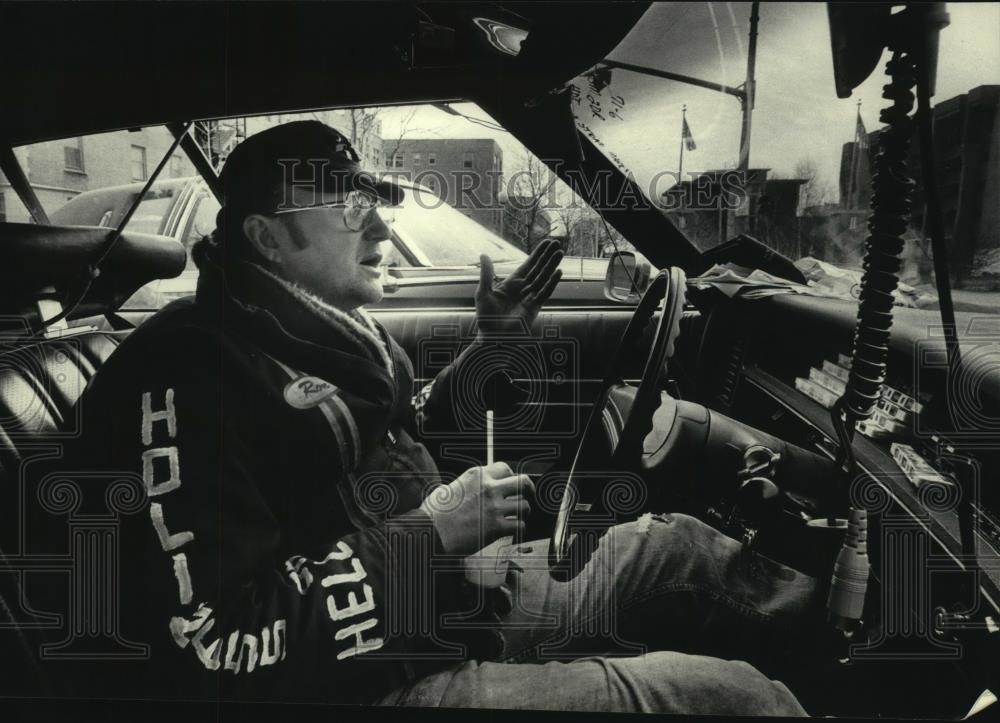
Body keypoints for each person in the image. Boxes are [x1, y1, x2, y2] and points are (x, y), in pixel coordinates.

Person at [52, 121, 819, 714]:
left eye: (377, 205)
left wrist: (491, 346)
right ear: (267, 237)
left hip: (447, 603)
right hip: (365, 686)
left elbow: (390, 443)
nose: (382, 228)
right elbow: (215, 645)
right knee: (734, 700)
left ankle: (859, 649)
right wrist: (431, 537)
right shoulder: (186, 380)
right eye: (352, 210)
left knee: (679, 549)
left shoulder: (311, 330)